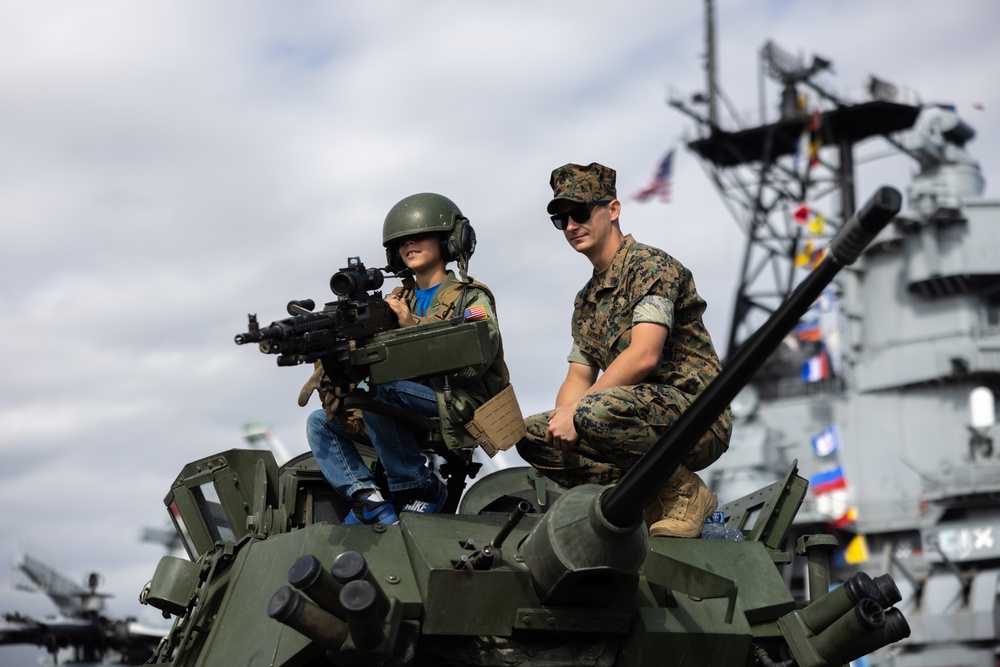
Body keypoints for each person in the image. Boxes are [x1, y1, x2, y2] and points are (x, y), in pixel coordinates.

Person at [516, 162, 732, 538]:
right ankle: (644, 497)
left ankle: (686, 492)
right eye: (561, 219)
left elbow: (644, 354)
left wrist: (578, 414)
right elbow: (578, 377)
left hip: (697, 418)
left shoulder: (649, 266)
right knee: (534, 436)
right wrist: (564, 419)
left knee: (591, 410)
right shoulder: (586, 300)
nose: (570, 226)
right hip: (633, 418)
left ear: (613, 210)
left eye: (580, 213)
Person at [300, 193, 509, 525]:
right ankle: (368, 498)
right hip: (402, 399)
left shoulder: (472, 296)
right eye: (401, 241)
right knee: (320, 422)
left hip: (459, 401)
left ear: (450, 240)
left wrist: (413, 326)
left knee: (381, 392)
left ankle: (418, 487)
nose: (409, 243)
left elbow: (477, 358)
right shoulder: (394, 300)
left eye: (420, 235)